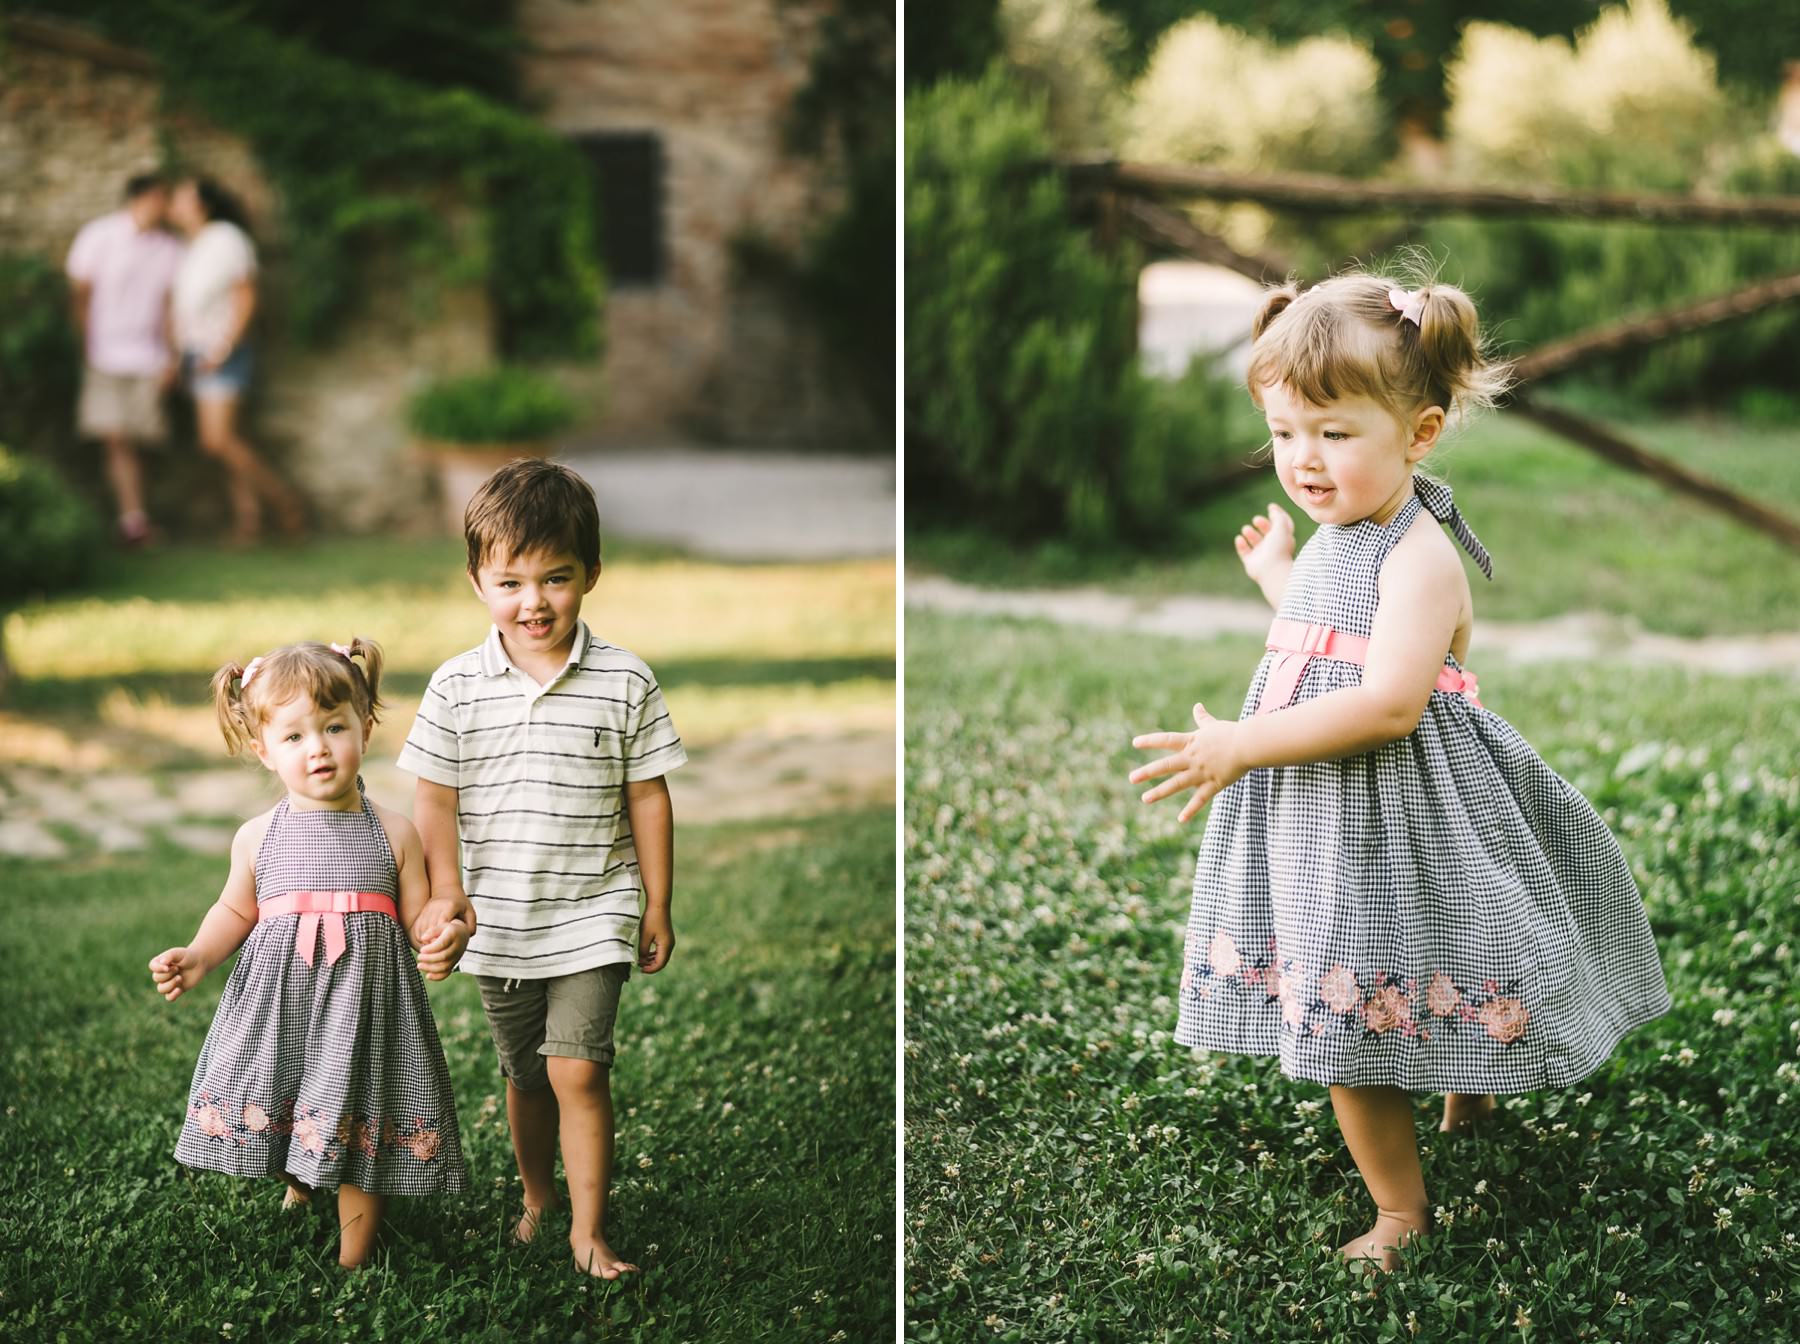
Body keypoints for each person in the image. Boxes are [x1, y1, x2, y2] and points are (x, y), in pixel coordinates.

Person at [1127, 271, 1670, 1271]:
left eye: (1334, 433)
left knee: (1391, 985)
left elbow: (1387, 703)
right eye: (1283, 432)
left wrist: (1240, 745)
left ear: (1419, 435)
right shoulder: (1342, 535)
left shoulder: (1421, 557)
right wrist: (1279, 576)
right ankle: (1461, 1107)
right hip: (1334, 817)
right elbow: (1330, 636)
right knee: (1380, 967)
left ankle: (1401, 1215)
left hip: (1413, 808)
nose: (1303, 458)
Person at [397, 458, 686, 1279]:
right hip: (500, 917)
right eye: (511, 583)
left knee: (577, 1069)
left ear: (591, 573)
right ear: (477, 582)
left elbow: (649, 797)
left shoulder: (624, 679)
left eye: (556, 578)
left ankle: (588, 1234)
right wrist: (447, 893)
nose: (535, 602)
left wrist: (656, 903)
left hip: (595, 905)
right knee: (526, 1075)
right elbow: (434, 799)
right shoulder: (456, 686)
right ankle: (538, 1198)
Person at [149, 638, 474, 1268]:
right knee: (279, 1098)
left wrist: (443, 939)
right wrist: (198, 955)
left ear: (366, 728)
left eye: (334, 727)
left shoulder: (395, 833)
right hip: (283, 1012)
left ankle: (354, 1258)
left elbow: (420, 920)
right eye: (294, 736)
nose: (318, 748)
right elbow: (235, 910)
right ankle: (298, 1175)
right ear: (263, 750)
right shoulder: (257, 837)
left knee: (360, 1125)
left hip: (365, 1015)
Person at [167, 175, 306, 545]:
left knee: (216, 440)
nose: (173, 204)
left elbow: (246, 295)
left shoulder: (226, 238)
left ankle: (286, 502)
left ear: (202, 204)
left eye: (181, 197)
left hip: (221, 351)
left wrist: (224, 348)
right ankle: (249, 523)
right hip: (199, 352)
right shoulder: (193, 244)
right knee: (230, 439)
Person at [65, 173, 186, 546]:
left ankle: (138, 517)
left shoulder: (170, 248)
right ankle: (133, 519)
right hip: (105, 356)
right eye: (162, 198)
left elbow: (170, 309)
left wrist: (171, 357)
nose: (167, 207)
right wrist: (87, 344)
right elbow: (81, 295)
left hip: (149, 358)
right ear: (143, 198)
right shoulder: (99, 235)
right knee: (115, 436)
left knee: (142, 440)